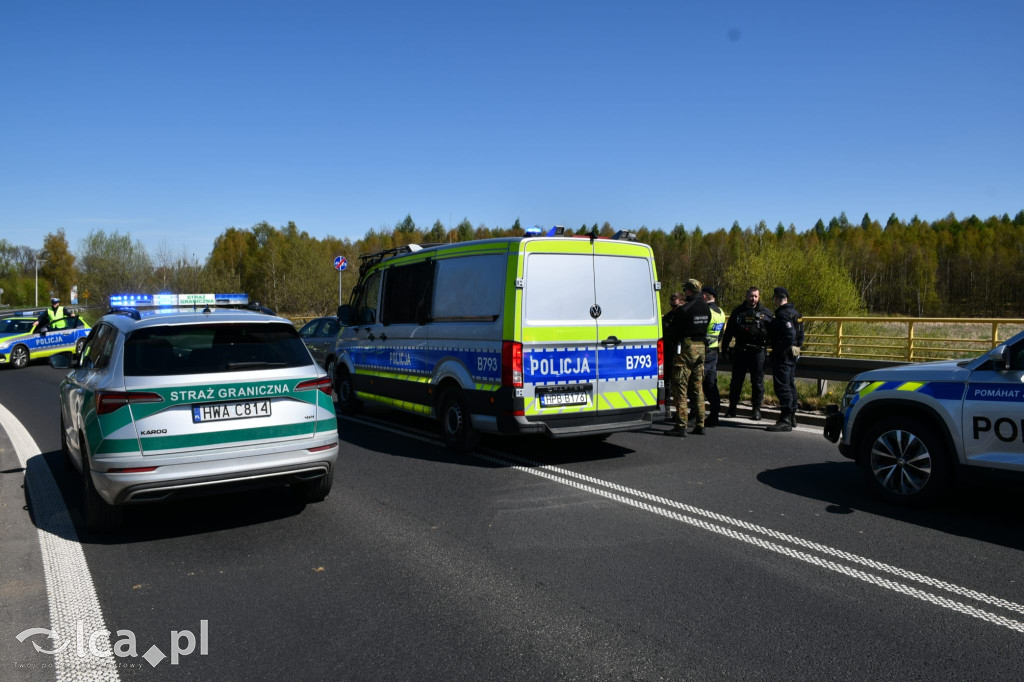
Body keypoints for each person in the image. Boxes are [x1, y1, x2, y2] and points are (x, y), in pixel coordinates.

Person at [720, 287, 773, 420]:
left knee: (757, 382)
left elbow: (773, 333)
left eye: (755, 296)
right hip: (741, 351)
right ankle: (732, 409)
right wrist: (724, 348)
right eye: (751, 296)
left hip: (758, 352)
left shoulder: (765, 313)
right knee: (736, 382)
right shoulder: (738, 312)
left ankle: (756, 410)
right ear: (746, 296)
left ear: (759, 297)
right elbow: (729, 332)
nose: (753, 299)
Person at [666, 279, 710, 437]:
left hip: (685, 349)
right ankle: (700, 424)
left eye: (685, 290)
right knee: (697, 387)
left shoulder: (684, 310)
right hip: (701, 349)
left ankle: (681, 425)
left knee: (680, 387)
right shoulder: (706, 308)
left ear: (689, 291)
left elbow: (671, 333)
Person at [766, 287, 804, 432]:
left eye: (774, 298)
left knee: (782, 386)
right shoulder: (795, 313)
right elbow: (800, 335)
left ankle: (785, 419)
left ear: (777, 298)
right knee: (790, 384)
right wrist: (796, 346)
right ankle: (792, 416)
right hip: (793, 354)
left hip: (783, 355)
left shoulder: (783, 314)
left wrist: (778, 349)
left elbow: (789, 334)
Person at [701, 286, 727, 426]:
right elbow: (721, 333)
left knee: (697, 384)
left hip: (704, 352)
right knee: (711, 384)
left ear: (705, 296)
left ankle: (696, 415)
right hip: (714, 351)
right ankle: (714, 414)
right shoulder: (721, 312)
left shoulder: (706, 311)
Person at [661, 292, 684, 423]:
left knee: (680, 383)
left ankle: (681, 411)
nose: (673, 308)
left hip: (682, 355)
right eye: (671, 305)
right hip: (669, 353)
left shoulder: (685, 316)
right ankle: (668, 408)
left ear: (681, 302)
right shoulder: (668, 317)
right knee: (667, 381)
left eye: (675, 306)